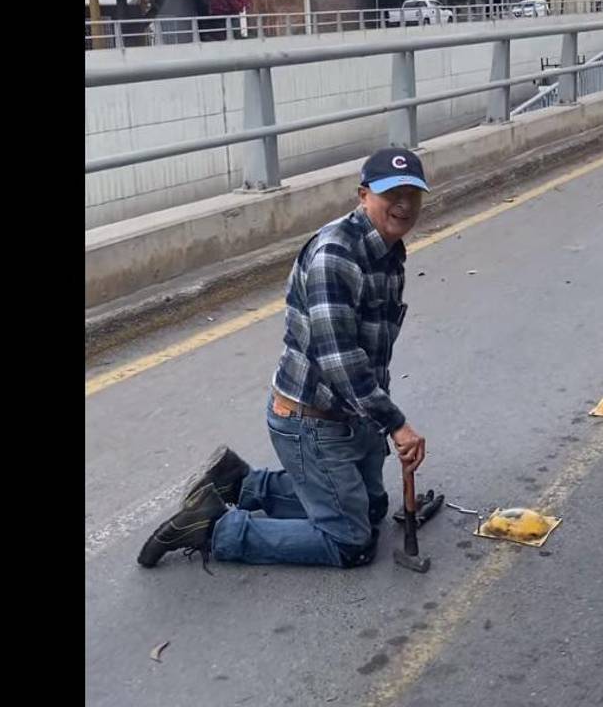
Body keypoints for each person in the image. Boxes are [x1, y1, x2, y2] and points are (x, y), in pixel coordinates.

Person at [138, 148, 431, 572]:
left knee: (372, 509)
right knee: (350, 540)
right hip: (311, 422)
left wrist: (378, 418)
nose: (403, 205)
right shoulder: (337, 255)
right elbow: (340, 359)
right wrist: (396, 425)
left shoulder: (388, 250)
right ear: (364, 195)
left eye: (412, 193)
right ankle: (213, 528)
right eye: (392, 193)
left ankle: (240, 482)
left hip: (350, 415)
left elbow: (370, 352)